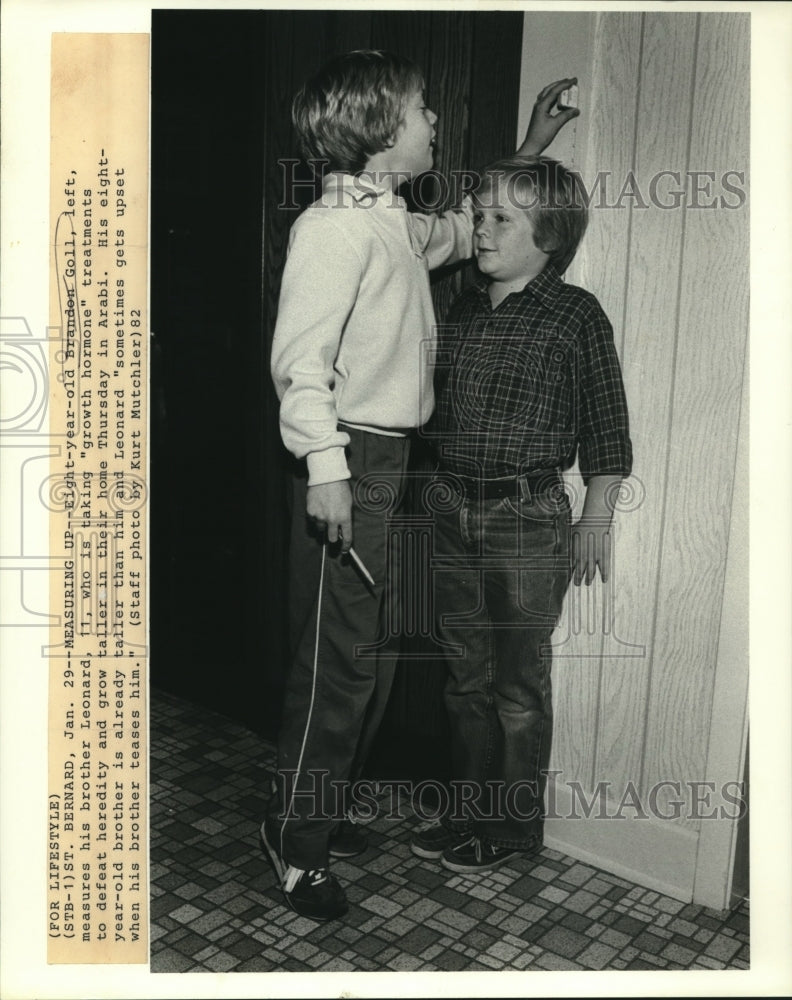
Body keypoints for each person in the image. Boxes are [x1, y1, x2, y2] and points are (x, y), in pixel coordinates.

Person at [263, 49, 579, 921]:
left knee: (366, 660)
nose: (434, 121)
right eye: (419, 108)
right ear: (375, 130)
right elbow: (300, 362)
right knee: (338, 667)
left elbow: (459, 230)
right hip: (352, 461)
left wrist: (532, 140)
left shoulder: (392, 220)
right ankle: (296, 846)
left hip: (389, 462)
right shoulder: (332, 228)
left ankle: (314, 810)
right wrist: (326, 471)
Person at [410, 156, 632, 873]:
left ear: (550, 233)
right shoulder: (465, 306)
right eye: (479, 216)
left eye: (501, 218)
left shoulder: (577, 316)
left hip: (527, 517)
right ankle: (466, 811)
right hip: (451, 508)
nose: (481, 228)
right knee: (464, 676)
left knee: (517, 688)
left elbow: (607, 428)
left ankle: (510, 830)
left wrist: (595, 517)